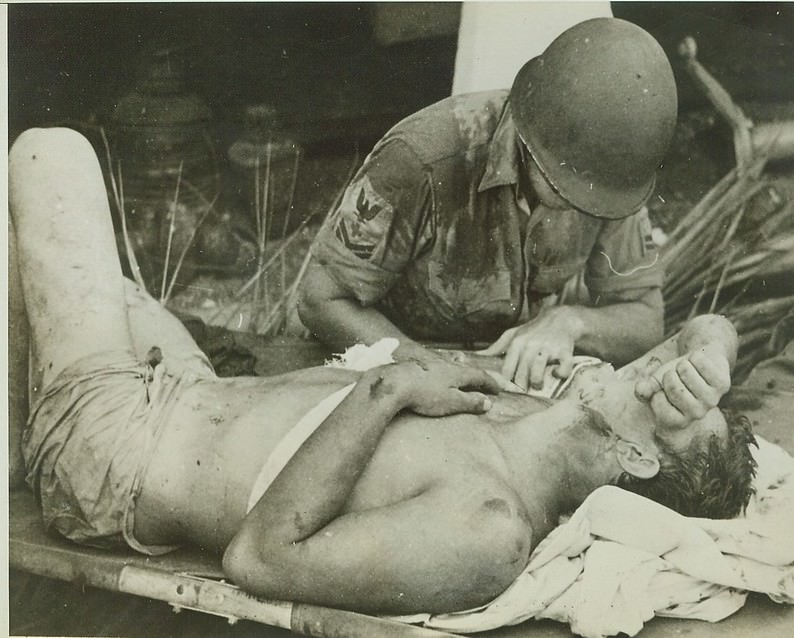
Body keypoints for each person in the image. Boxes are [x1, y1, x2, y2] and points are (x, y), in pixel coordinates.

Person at [10, 128, 755, 616]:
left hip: (115, 454)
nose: (666, 371)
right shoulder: (536, 409)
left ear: (635, 456)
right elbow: (696, 332)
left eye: (676, 397)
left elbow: (261, 558)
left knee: (50, 153)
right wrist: (713, 357)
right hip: (185, 382)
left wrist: (391, 385)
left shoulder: (490, 529)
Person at [298, 17, 677, 391]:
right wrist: (423, 367)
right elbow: (321, 300)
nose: (582, 206)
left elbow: (644, 320)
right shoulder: (420, 161)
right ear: (531, 137)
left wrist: (570, 322)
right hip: (385, 364)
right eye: (569, 183)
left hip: (502, 382)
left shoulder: (612, 179)